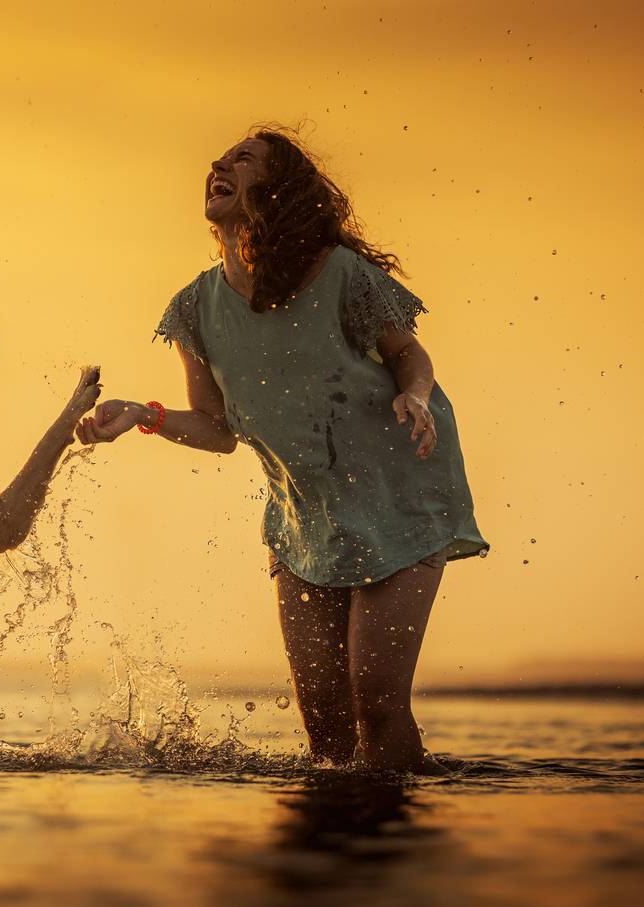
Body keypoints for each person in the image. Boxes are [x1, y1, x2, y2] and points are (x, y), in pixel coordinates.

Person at [76, 126, 489, 774]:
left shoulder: (342, 276)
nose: (219, 162)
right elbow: (219, 430)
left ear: (277, 191)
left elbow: (408, 351)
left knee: (375, 704)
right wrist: (141, 414)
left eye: (244, 159)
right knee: (323, 722)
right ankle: (331, 859)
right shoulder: (195, 309)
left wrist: (415, 392)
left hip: (403, 494)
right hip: (307, 518)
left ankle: (397, 844)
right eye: (220, 157)